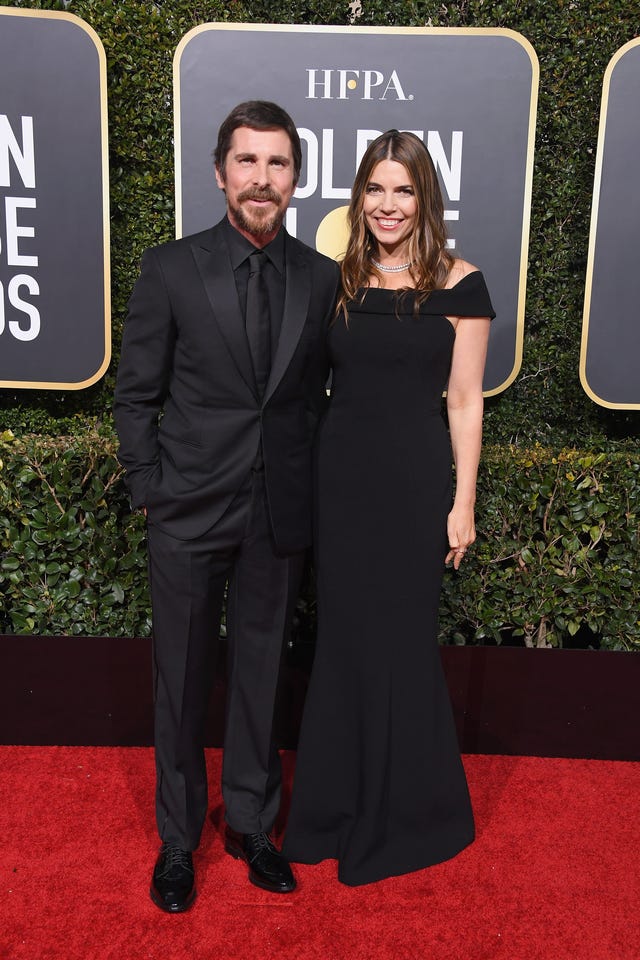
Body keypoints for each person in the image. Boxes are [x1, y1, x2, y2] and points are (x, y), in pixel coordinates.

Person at [114, 100, 339, 911]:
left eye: (278, 163)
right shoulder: (171, 268)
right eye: (248, 161)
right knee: (179, 679)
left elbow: (315, 401)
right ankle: (178, 839)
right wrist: (149, 488)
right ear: (219, 173)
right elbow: (135, 393)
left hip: (277, 511)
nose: (261, 178)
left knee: (262, 674)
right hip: (187, 507)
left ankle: (250, 822)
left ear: (295, 178)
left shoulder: (321, 277)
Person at [282, 130, 495, 886]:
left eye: (403, 189)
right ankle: (331, 810)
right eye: (376, 188)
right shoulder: (336, 279)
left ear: (424, 196)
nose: (388, 204)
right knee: (342, 642)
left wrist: (463, 501)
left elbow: (464, 401)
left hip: (413, 484)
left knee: (402, 643)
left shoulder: (462, 284)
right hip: (340, 482)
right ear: (359, 196)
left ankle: (408, 814)